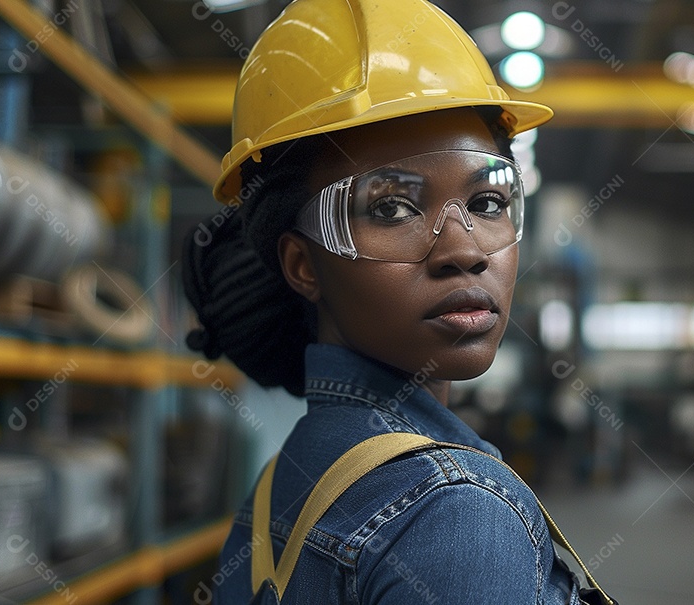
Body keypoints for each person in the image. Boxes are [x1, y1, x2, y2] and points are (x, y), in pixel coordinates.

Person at [183, 0, 612, 603]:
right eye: (391, 207)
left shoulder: (280, 487)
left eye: (489, 203)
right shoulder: (455, 512)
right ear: (303, 265)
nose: (464, 249)